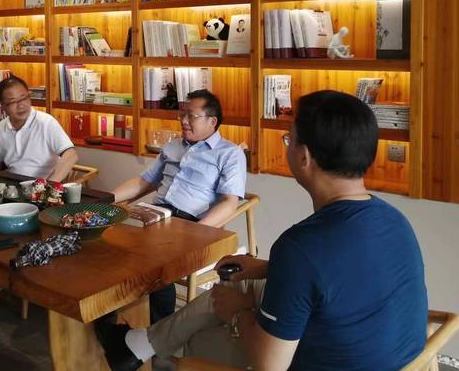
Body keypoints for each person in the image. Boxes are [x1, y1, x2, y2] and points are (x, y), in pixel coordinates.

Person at [95, 90, 428, 371]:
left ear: (303, 157)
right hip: (391, 355)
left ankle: (149, 351)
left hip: (319, 361)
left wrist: (238, 312)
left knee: (192, 340)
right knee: (239, 284)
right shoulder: (393, 219)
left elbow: (270, 365)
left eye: (288, 139)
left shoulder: (300, 247)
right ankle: (136, 344)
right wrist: (269, 268)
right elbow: (342, 273)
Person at [110, 89, 247, 322]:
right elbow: (144, 182)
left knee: (154, 262)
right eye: (182, 115)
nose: (183, 120)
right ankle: (115, 319)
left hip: (190, 222)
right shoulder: (172, 147)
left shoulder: (229, 154)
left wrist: (198, 230)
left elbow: (229, 202)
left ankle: (157, 330)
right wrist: (104, 199)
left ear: (212, 121)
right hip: (155, 215)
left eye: (191, 116)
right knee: (111, 246)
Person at [0, 75, 78, 181]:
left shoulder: (46, 122)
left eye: (23, 98)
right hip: (13, 184)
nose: (21, 105)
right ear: (3, 106)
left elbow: (71, 155)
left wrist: (48, 185)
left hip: (43, 185)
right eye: (13, 102)